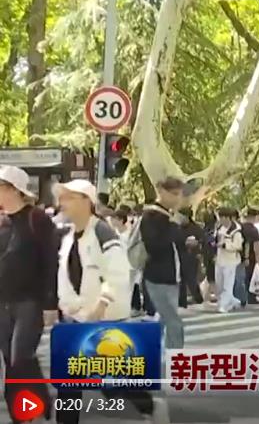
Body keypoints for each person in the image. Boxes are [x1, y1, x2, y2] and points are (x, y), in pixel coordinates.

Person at [51, 179, 168, 424]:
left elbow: (117, 271)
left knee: (111, 382)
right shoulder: (68, 237)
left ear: (87, 202)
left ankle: (147, 404)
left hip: (104, 317)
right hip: (75, 316)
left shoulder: (102, 232)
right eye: (62, 198)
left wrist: (102, 302)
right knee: (69, 382)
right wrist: (61, 305)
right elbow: (64, 275)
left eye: (70, 197)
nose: (63, 203)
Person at [0, 166, 58, 423]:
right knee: (10, 360)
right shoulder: (2, 222)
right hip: (3, 302)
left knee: (20, 357)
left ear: (14, 190)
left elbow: (50, 262)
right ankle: (25, 408)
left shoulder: (37, 219)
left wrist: (50, 303)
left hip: (30, 301)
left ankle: (31, 405)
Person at [140, 177, 187, 348]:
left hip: (172, 276)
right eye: (173, 193)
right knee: (173, 322)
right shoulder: (151, 216)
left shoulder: (170, 216)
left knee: (164, 318)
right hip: (157, 277)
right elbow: (154, 246)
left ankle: (147, 350)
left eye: (179, 194)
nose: (177, 198)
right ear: (161, 191)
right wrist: (173, 226)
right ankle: (175, 358)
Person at [214, 207, 244, 313]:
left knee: (228, 284)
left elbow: (238, 246)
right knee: (219, 284)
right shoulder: (219, 228)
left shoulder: (236, 230)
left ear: (227, 218)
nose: (220, 220)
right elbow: (215, 240)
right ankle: (234, 301)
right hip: (219, 259)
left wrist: (225, 245)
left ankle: (224, 305)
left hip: (230, 261)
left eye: (222, 217)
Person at [176, 208, 205, 307]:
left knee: (191, 279)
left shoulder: (196, 228)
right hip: (179, 255)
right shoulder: (178, 227)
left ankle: (198, 298)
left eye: (181, 216)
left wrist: (196, 244)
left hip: (191, 256)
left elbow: (202, 240)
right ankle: (181, 301)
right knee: (181, 280)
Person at [239, 209, 259, 305]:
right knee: (251, 277)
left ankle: (241, 296)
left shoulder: (240, 227)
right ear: (254, 217)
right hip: (251, 256)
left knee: (241, 277)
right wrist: (257, 258)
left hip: (240, 255)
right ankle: (251, 297)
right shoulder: (253, 230)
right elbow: (256, 245)